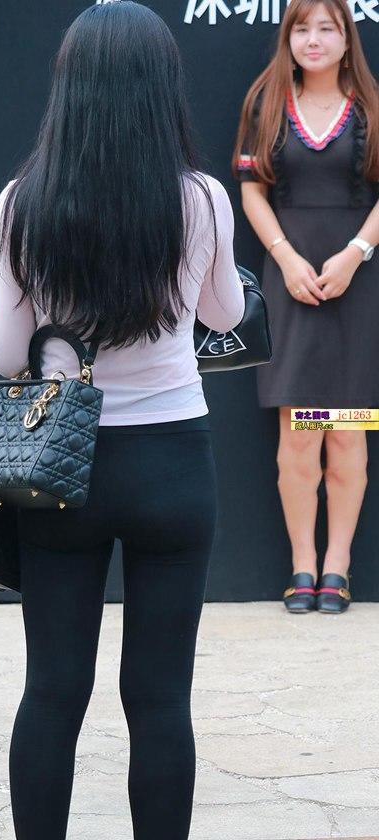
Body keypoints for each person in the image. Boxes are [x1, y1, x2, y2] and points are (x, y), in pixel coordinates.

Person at [0, 2, 244, 837]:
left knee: (52, 690)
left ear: (68, 86)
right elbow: (224, 314)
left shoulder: (22, 204)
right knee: (160, 697)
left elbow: (6, 352)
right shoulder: (202, 199)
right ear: (161, 88)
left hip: (58, 469)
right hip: (173, 464)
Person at [233, 0, 379, 615]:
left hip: (356, 290)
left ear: (347, 40)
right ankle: (302, 566)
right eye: (301, 28)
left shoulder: (371, 108)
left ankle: (337, 568)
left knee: (345, 432)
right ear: (287, 38)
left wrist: (355, 255)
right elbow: (251, 191)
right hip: (291, 287)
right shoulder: (266, 104)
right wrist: (286, 259)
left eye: (326, 28)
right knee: (298, 434)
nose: (313, 39)